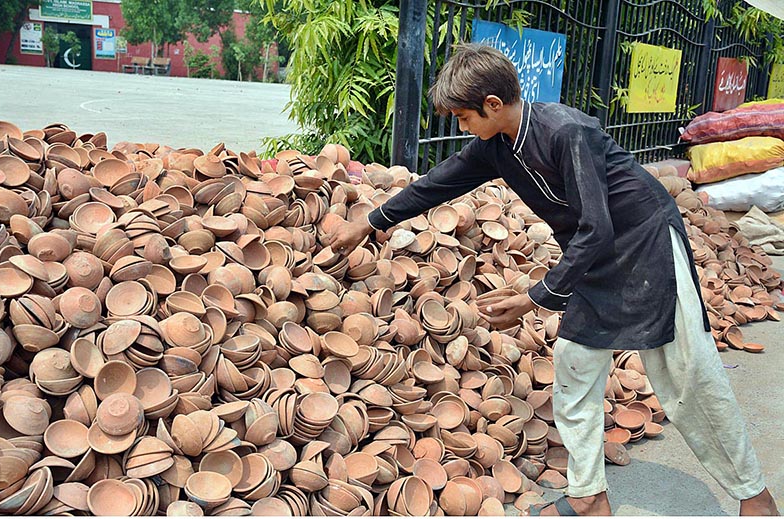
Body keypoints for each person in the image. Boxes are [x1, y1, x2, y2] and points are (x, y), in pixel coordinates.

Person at [327, 43, 779, 516]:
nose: (462, 128)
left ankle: (754, 494)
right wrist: (372, 220)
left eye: (463, 117)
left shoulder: (567, 131)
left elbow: (597, 226)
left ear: (493, 105)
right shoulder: (495, 147)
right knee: (575, 365)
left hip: (643, 245)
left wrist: (536, 297)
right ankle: (589, 495)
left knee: (688, 377)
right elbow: (438, 182)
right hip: (594, 254)